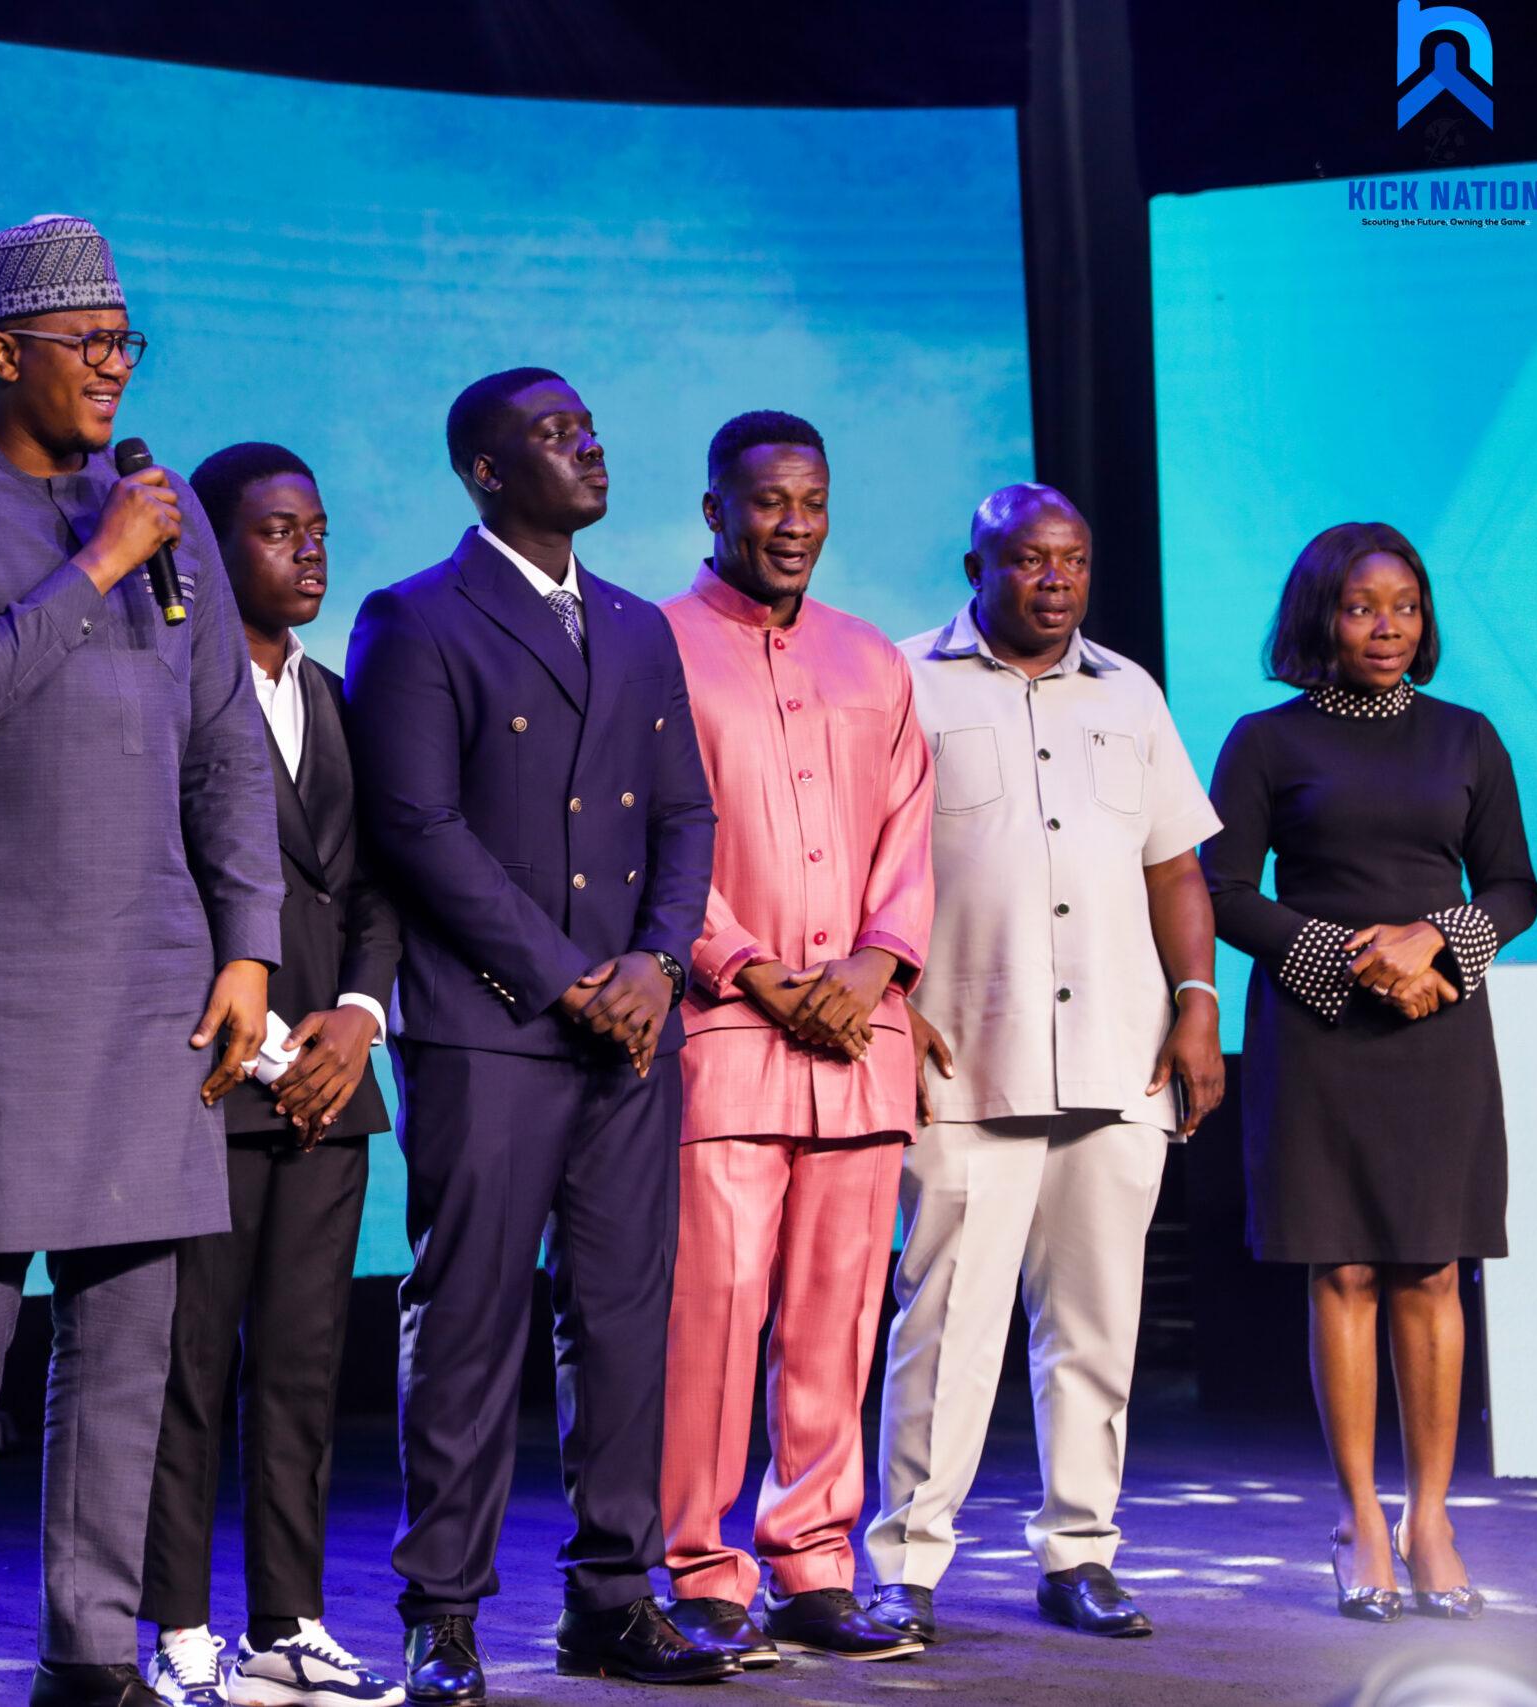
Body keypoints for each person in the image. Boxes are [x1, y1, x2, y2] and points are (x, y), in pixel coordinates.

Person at [0, 215, 281, 1707]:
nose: (112, 368)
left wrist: (249, 945)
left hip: (152, 971)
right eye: (86, 343)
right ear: (1, 353)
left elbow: (224, 743)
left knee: (128, 1343)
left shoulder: (166, 511)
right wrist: (98, 564)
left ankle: (92, 1651)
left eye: (122, 342)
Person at [345, 367, 732, 1702]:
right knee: (466, 1321)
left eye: (590, 429)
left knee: (622, 1319)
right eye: (555, 435)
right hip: (489, 1027)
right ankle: (442, 1613)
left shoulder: (633, 624)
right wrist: (573, 980)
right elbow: (418, 829)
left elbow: (685, 814)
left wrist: (659, 965)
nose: (589, 448)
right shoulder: (414, 616)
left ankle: (614, 1599)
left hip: (630, 1031)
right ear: (486, 470)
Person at [865, 484, 1224, 1644]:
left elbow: (1174, 866)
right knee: (946, 1328)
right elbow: (859, 858)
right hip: (968, 1058)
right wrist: (890, 1000)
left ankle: (1080, 1555)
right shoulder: (903, 679)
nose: (1055, 578)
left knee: (1096, 1327)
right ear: (976, 566)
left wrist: (1198, 1004)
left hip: (1121, 1056)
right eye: (1027, 558)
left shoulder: (1129, 692)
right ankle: (906, 1565)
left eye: (1072, 557)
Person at [1204, 521, 1534, 1623]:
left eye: (1405, 606)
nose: (1386, 627)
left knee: (1431, 1268)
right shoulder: (1265, 740)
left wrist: (1433, 943)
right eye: (1360, 608)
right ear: (1320, 619)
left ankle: (1431, 1517)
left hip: (1438, 1027)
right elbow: (1222, 889)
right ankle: (1357, 1518)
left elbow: (1514, 887)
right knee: (1341, 1269)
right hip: (1318, 1031)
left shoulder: (1467, 736)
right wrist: (1354, 963)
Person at [657, 410, 933, 1665]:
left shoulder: (873, 658)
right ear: (715, 508)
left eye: (812, 502)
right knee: (712, 1321)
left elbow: (911, 835)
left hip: (860, 1044)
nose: (793, 525)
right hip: (726, 1036)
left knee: (835, 1322)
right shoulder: (656, 646)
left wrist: (872, 967)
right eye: (769, 501)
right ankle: (700, 1569)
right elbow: (648, 838)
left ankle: (814, 1565)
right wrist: (752, 970)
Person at [139, 443, 403, 1707]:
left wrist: (357, 1015)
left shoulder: (340, 699)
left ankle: (285, 1624)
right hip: (213, 1076)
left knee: (301, 1370)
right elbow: (156, 886)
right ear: (205, 548)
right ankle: (179, 1631)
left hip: (331, 1091)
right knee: (187, 1370)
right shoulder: (166, 695)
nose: (309, 552)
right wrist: (269, 1042)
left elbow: (376, 887)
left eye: (319, 529)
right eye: (277, 530)